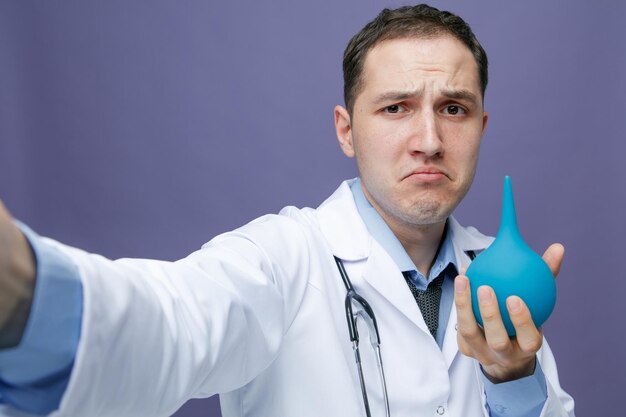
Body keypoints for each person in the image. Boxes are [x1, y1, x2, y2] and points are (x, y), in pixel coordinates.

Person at [0, 4, 575, 417]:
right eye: (396, 107)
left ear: (480, 127)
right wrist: (28, 294)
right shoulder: (281, 259)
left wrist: (514, 379)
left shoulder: (504, 277)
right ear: (346, 131)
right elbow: (170, 325)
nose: (428, 138)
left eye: (453, 108)